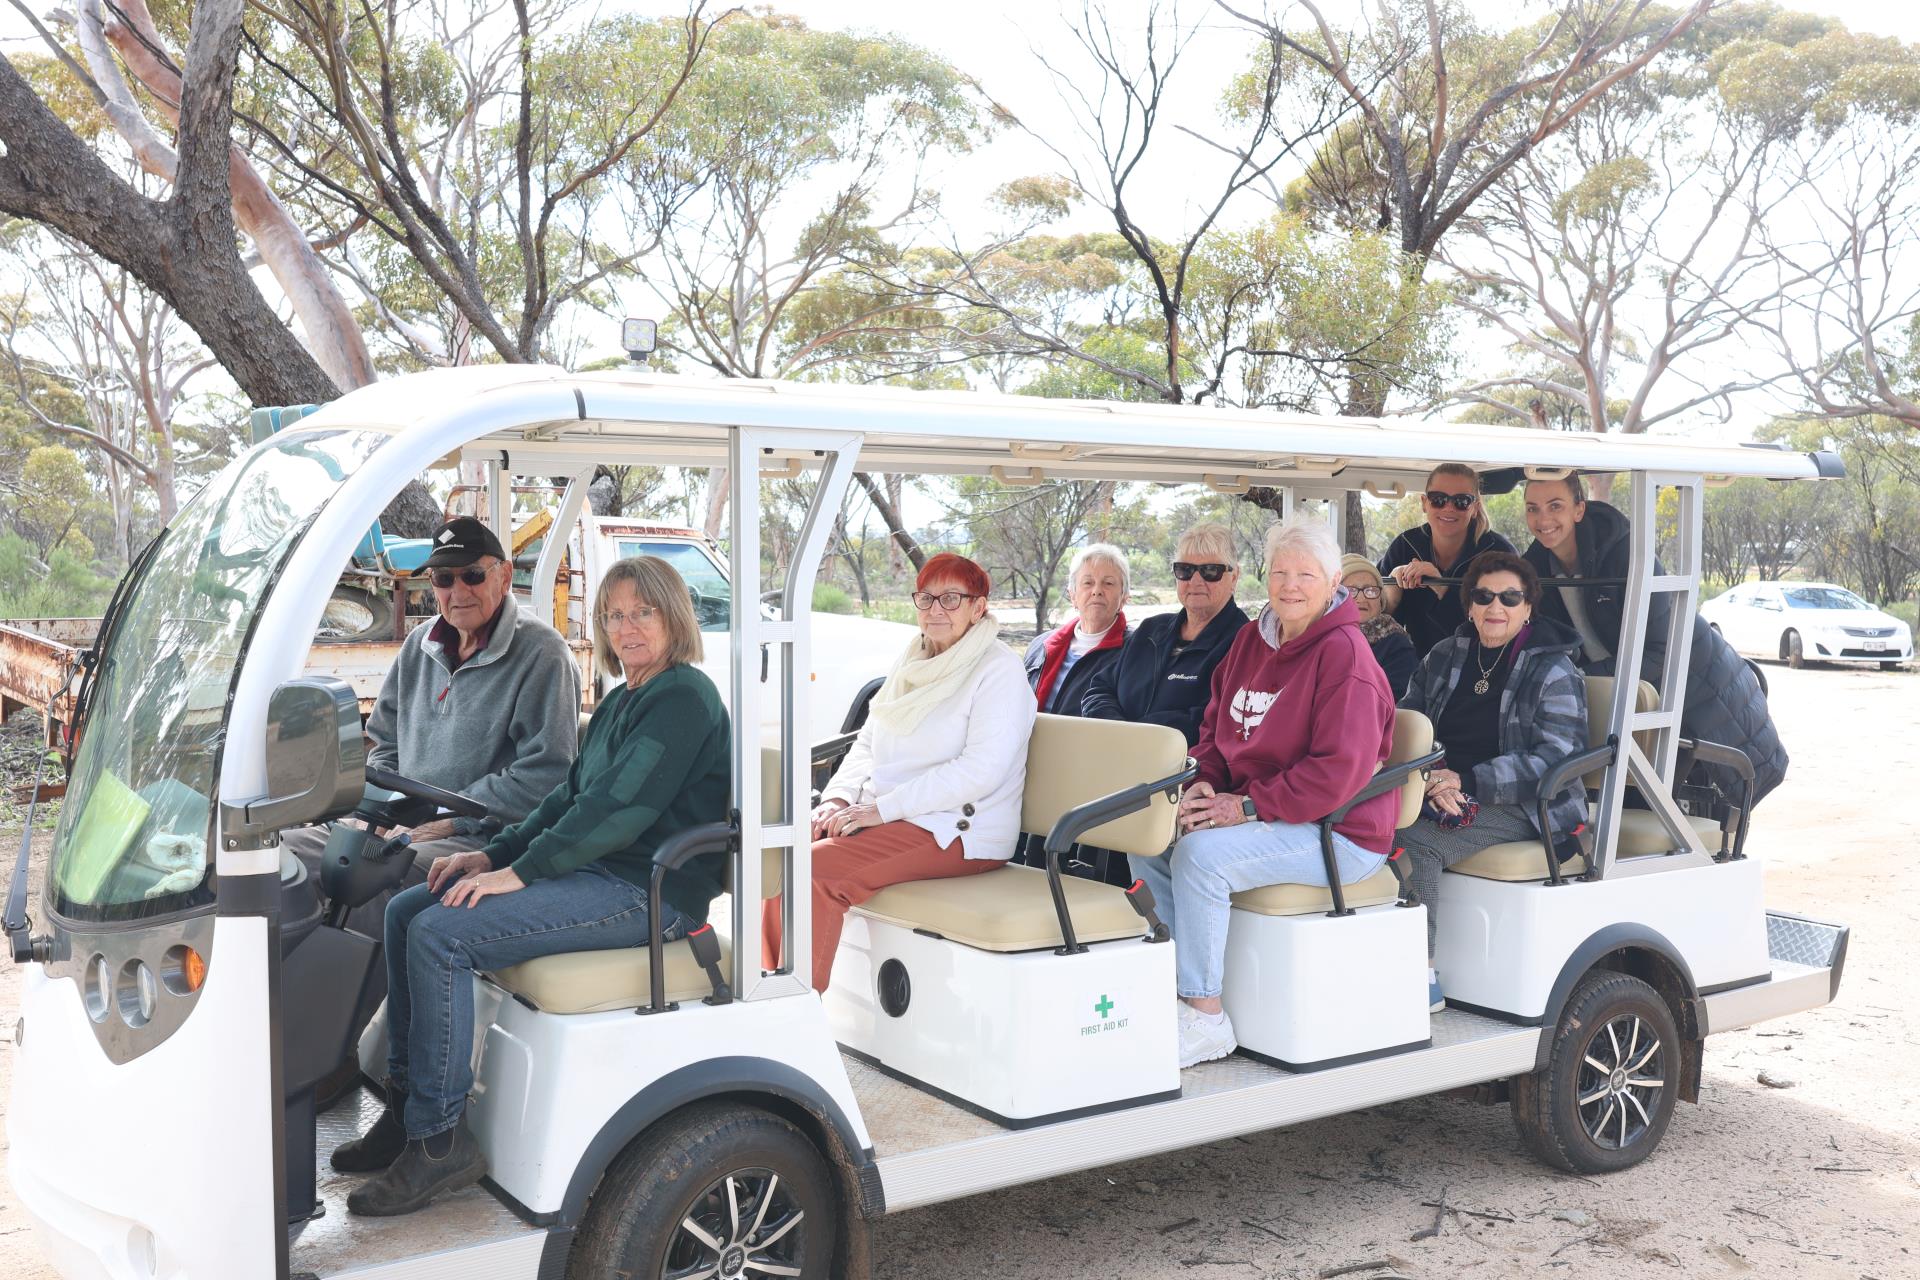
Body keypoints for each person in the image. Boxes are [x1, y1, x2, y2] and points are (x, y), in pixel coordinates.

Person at [333, 556, 730, 1217]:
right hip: (597, 871)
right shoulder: (623, 698)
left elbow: (618, 812)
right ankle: (406, 1113)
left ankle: (439, 1143)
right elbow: (564, 800)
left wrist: (517, 874)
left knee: (440, 936)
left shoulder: (684, 698)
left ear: (673, 618)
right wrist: (488, 855)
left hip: (649, 891)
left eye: (643, 612)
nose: (627, 627)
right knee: (408, 911)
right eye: (614, 615)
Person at [283, 515, 580, 1103]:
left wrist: (459, 819)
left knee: (371, 881)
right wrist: (372, 808)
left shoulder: (541, 654)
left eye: (472, 575)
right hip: (403, 818)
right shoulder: (420, 646)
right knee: (285, 860)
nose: (457, 591)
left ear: (501, 578)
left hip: (480, 833)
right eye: (444, 579)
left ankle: (331, 1057)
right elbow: (383, 739)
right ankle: (278, 1036)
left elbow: (548, 775)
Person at [1131, 515, 1397, 1068]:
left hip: (1339, 830)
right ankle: (1183, 989)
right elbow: (1215, 729)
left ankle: (1205, 1017)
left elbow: (1338, 773)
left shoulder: (1346, 656)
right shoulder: (1253, 640)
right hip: (1266, 815)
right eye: (1279, 572)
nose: (1289, 585)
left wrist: (1246, 807)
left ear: (1331, 584)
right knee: (1151, 836)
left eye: (1305, 574)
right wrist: (1203, 783)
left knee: (1202, 857)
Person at [766, 553, 1035, 994]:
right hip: (896, 817)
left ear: (978, 607)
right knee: (778, 854)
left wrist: (883, 809)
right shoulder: (911, 661)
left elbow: (980, 770)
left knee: (814, 870)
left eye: (951, 598)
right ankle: (768, 990)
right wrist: (837, 798)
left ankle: (795, 1010)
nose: (935, 610)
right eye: (926, 598)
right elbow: (869, 740)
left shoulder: (997, 670)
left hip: (958, 829)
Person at [1521, 473, 1787, 804]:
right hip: (1631, 693)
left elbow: (1661, 650)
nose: (1543, 519)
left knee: (1675, 806)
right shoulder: (1532, 570)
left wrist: (1579, 680)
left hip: (1692, 684)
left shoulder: (1627, 554)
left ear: (1579, 509)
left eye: (1555, 506)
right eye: (1533, 508)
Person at [1397, 551, 1588, 1011]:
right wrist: (1429, 779)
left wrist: (1467, 781)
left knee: (1414, 841)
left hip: (1527, 803)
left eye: (1509, 597)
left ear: (1528, 608)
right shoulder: (1445, 656)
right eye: (1483, 596)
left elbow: (1557, 758)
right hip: (1437, 787)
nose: (1494, 607)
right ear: (1468, 606)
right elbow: (1407, 724)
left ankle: (1419, 977)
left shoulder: (1554, 670)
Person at [1084, 523, 1250, 745]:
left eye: (1211, 571)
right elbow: (1099, 689)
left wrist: (1135, 737)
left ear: (1234, 576)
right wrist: (1118, 733)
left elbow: (1212, 720)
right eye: (1185, 570)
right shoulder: (1150, 631)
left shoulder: (1245, 642)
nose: (1196, 581)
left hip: (1184, 771)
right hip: (1115, 757)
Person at [1379, 464, 1517, 656]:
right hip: (1416, 668)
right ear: (1424, 503)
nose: (1449, 508)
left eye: (1461, 501)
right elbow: (1374, 626)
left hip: (1481, 665)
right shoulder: (1404, 546)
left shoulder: (1499, 553)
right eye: (1438, 499)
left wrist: (1442, 586)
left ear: (1475, 508)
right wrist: (1392, 594)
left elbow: (1505, 628)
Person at [1024, 544, 1130, 714]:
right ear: (1072, 595)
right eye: (1087, 583)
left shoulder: (1136, 651)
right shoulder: (1040, 646)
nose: (1097, 591)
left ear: (1124, 596)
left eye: (1108, 583)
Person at [1341, 554, 1415, 698]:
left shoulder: (1395, 644)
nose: (1362, 598)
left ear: (1380, 601)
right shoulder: (1315, 635)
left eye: (1370, 591)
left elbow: (1395, 699)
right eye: (1351, 591)